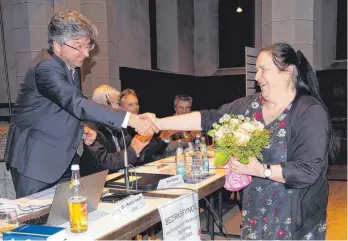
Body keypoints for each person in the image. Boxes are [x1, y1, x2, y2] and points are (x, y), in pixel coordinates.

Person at [144, 43, 335, 240]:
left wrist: (261, 170)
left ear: (288, 72)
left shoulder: (309, 111)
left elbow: (309, 170)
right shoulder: (251, 105)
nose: (257, 77)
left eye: (264, 70)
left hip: (294, 219)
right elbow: (210, 118)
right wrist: (159, 122)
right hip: (255, 211)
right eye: (257, 70)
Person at [4, 10, 158, 198]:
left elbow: (64, 107)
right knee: (38, 223)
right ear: (57, 45)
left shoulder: (70, 65)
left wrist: (82, 128)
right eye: (78, 46)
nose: (85, 53)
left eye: (88, 45)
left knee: (68, 217)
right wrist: (129, 118)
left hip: (62, 159)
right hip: (35, 161)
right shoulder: (46, 67)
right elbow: (77, 103)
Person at [80, 85, 150, 177]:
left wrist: (138, 148)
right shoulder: (91, 130)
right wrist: (133, 150)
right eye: (118, 104)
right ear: (104, 105)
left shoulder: (118, 129)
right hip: (98, 185)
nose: (121, 108)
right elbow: (106, 162)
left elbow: (133, 156)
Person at [119, 89, 174, 162]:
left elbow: (156, 151)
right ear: (121, 108)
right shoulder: (120, 129)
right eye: (130, 104)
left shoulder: (143, 123)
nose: (135, 107)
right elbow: (139, 154)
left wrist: (165, 138)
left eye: (136, 104)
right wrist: (162, 138)